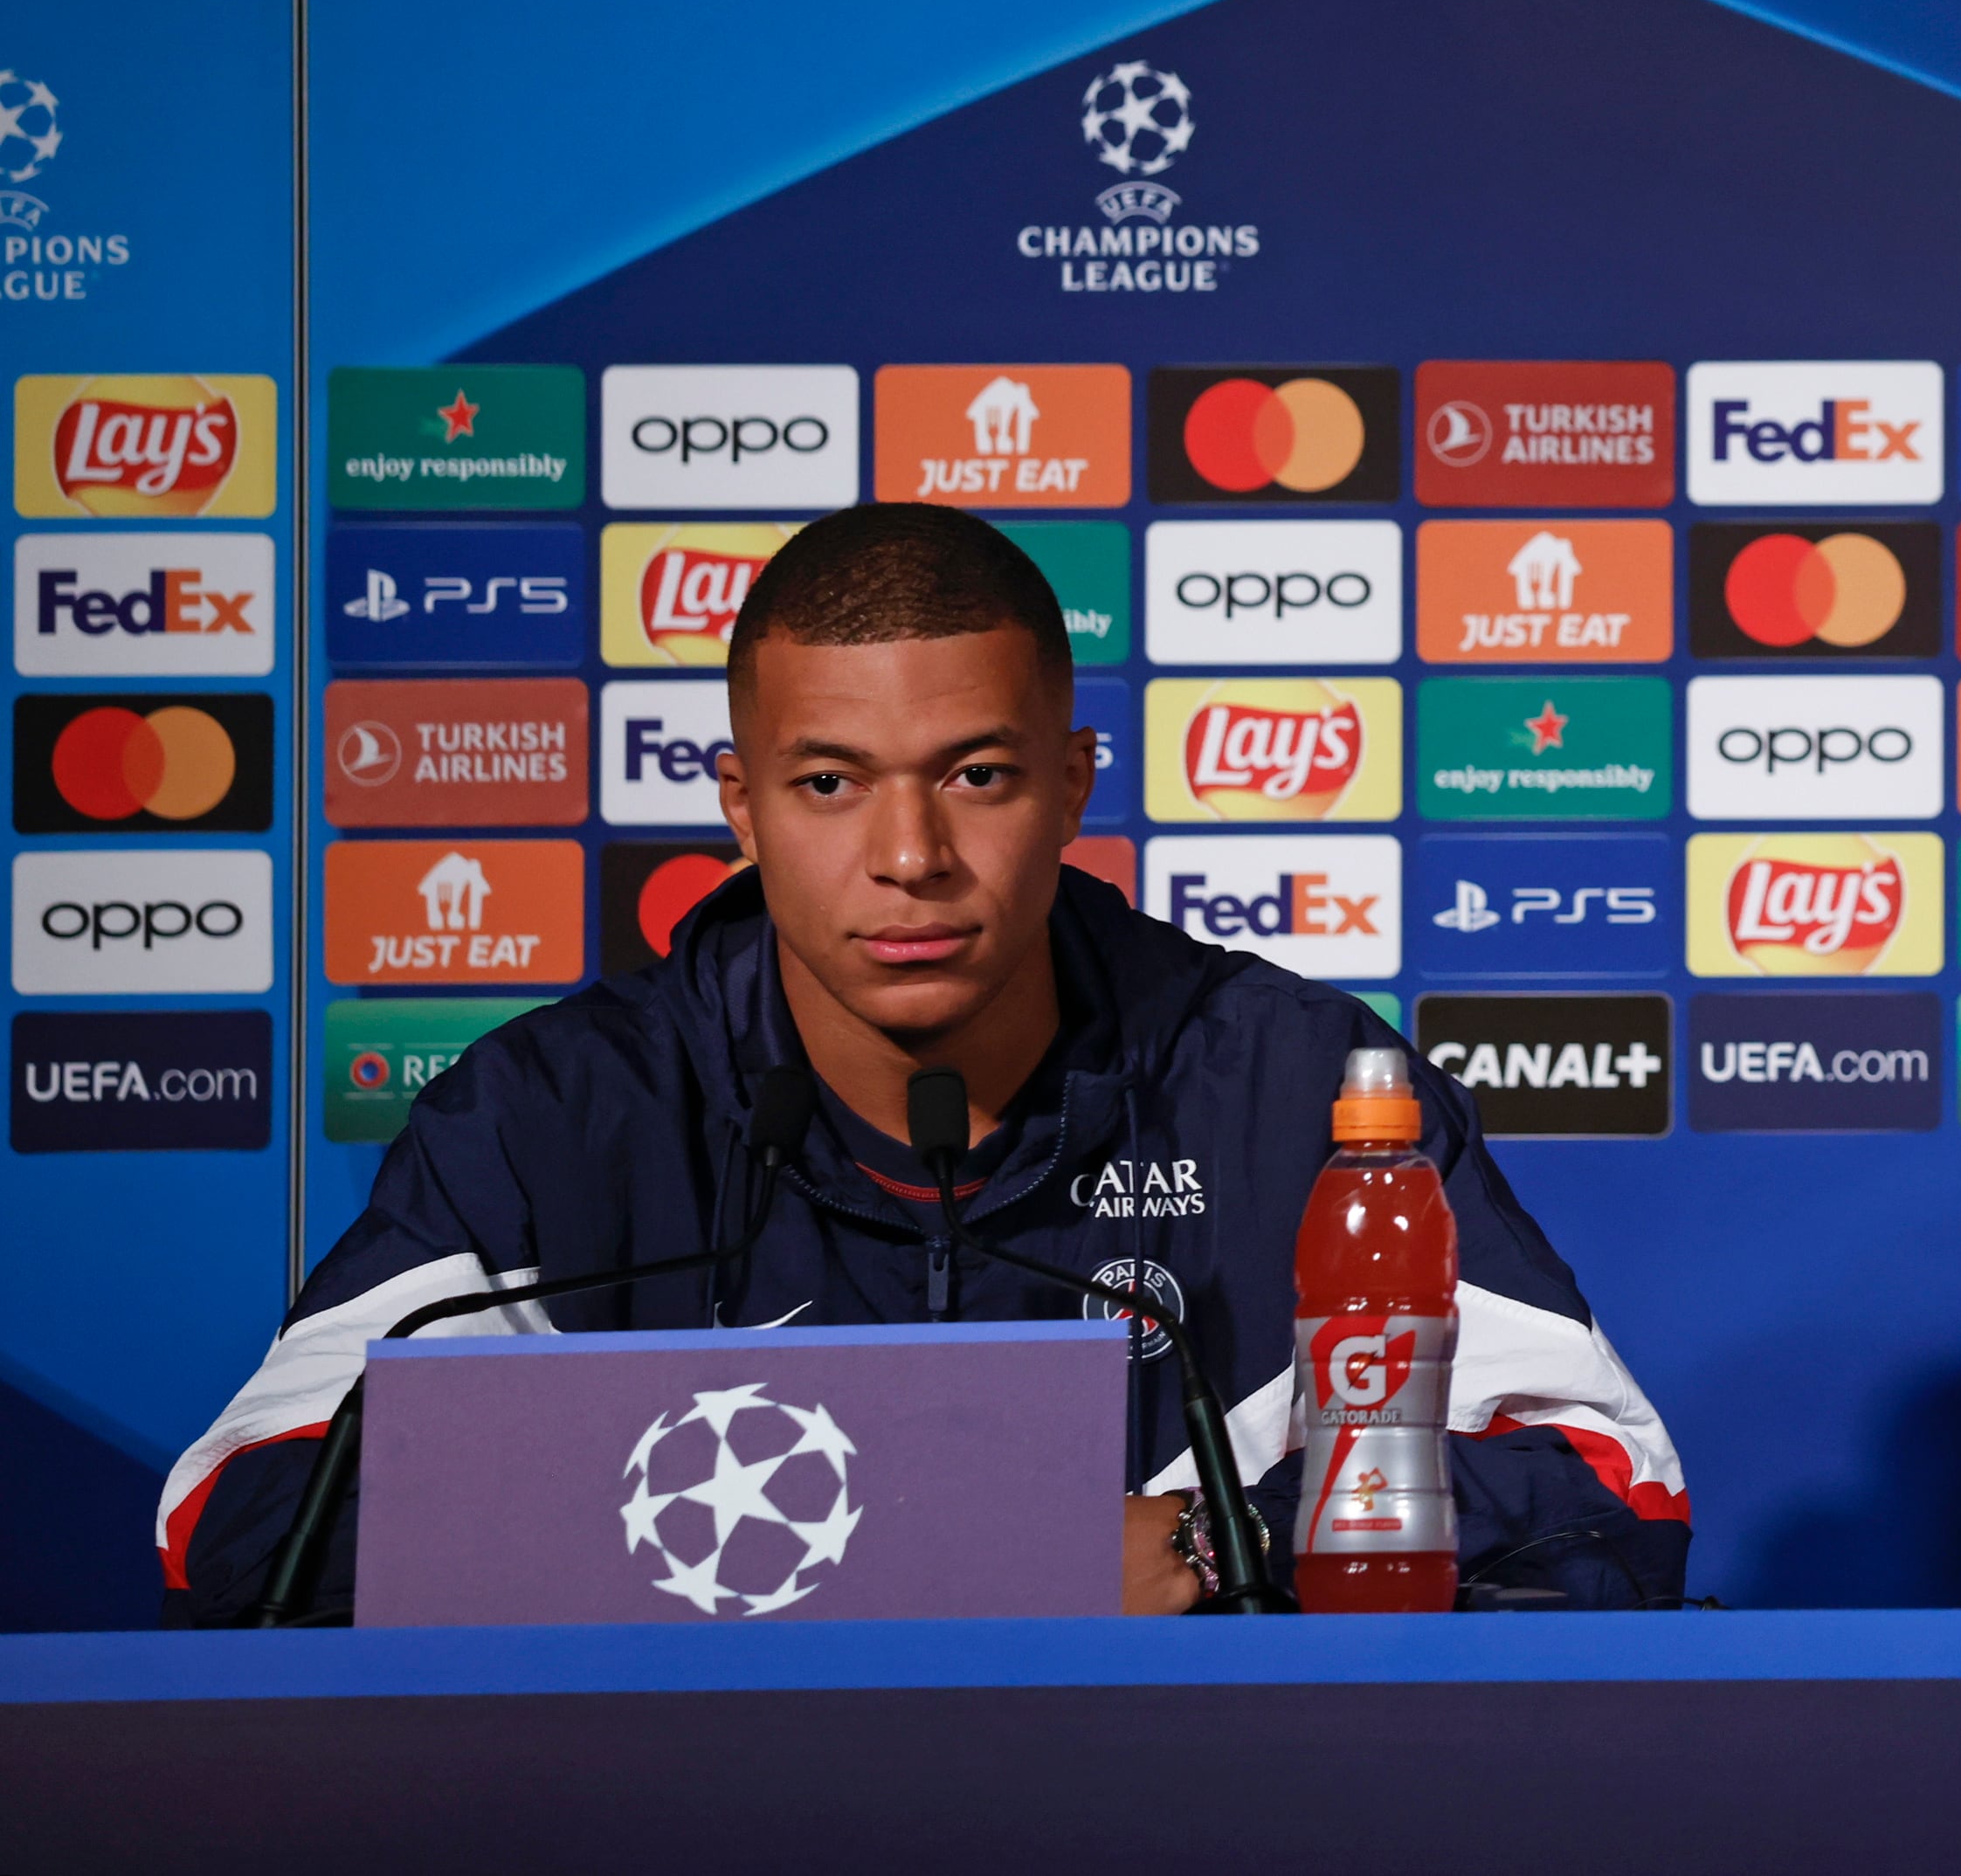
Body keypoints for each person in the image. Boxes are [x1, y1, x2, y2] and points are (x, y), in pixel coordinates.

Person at [164, 503, 1687, 1620]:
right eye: (830, 782)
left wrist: (1222, 1545)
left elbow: (1608, 1491)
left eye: (979, 774)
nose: (910, 855)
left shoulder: (1295, 1089)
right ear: (743, 806)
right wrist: (909, 1552)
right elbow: (244, 1523)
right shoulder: (556, 1118)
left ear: (1075, 782)